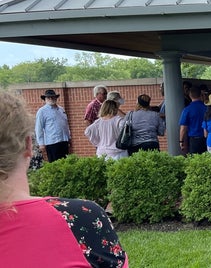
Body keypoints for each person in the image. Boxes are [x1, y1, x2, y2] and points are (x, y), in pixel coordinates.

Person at [0, 91, 129, 267]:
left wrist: (97, 143)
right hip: (115, 153)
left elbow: (88, 131)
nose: (52, 99)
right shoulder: (83, 216)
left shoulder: (71, 114)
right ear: (29, 144)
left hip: (96, 150)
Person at [35, 89, 71, 162]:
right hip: (52, 142)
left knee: (66, 163)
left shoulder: (61, 110)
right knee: (55, 164)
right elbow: (39, 128)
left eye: (52, 97)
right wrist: (41, 143)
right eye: (48, 97)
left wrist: (68, 138)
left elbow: (65, 125)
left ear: (56, 98)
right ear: (45, 99)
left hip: (64, 141)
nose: (51, 99)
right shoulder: (42, 111)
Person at [179, 87, 207, 155]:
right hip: (206, 138)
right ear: (201, 95)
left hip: (194, 140)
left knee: (195, 161)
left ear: (190, 96)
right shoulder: (207, 108)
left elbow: (183, 128)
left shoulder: (187, 110)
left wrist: (181, 141)